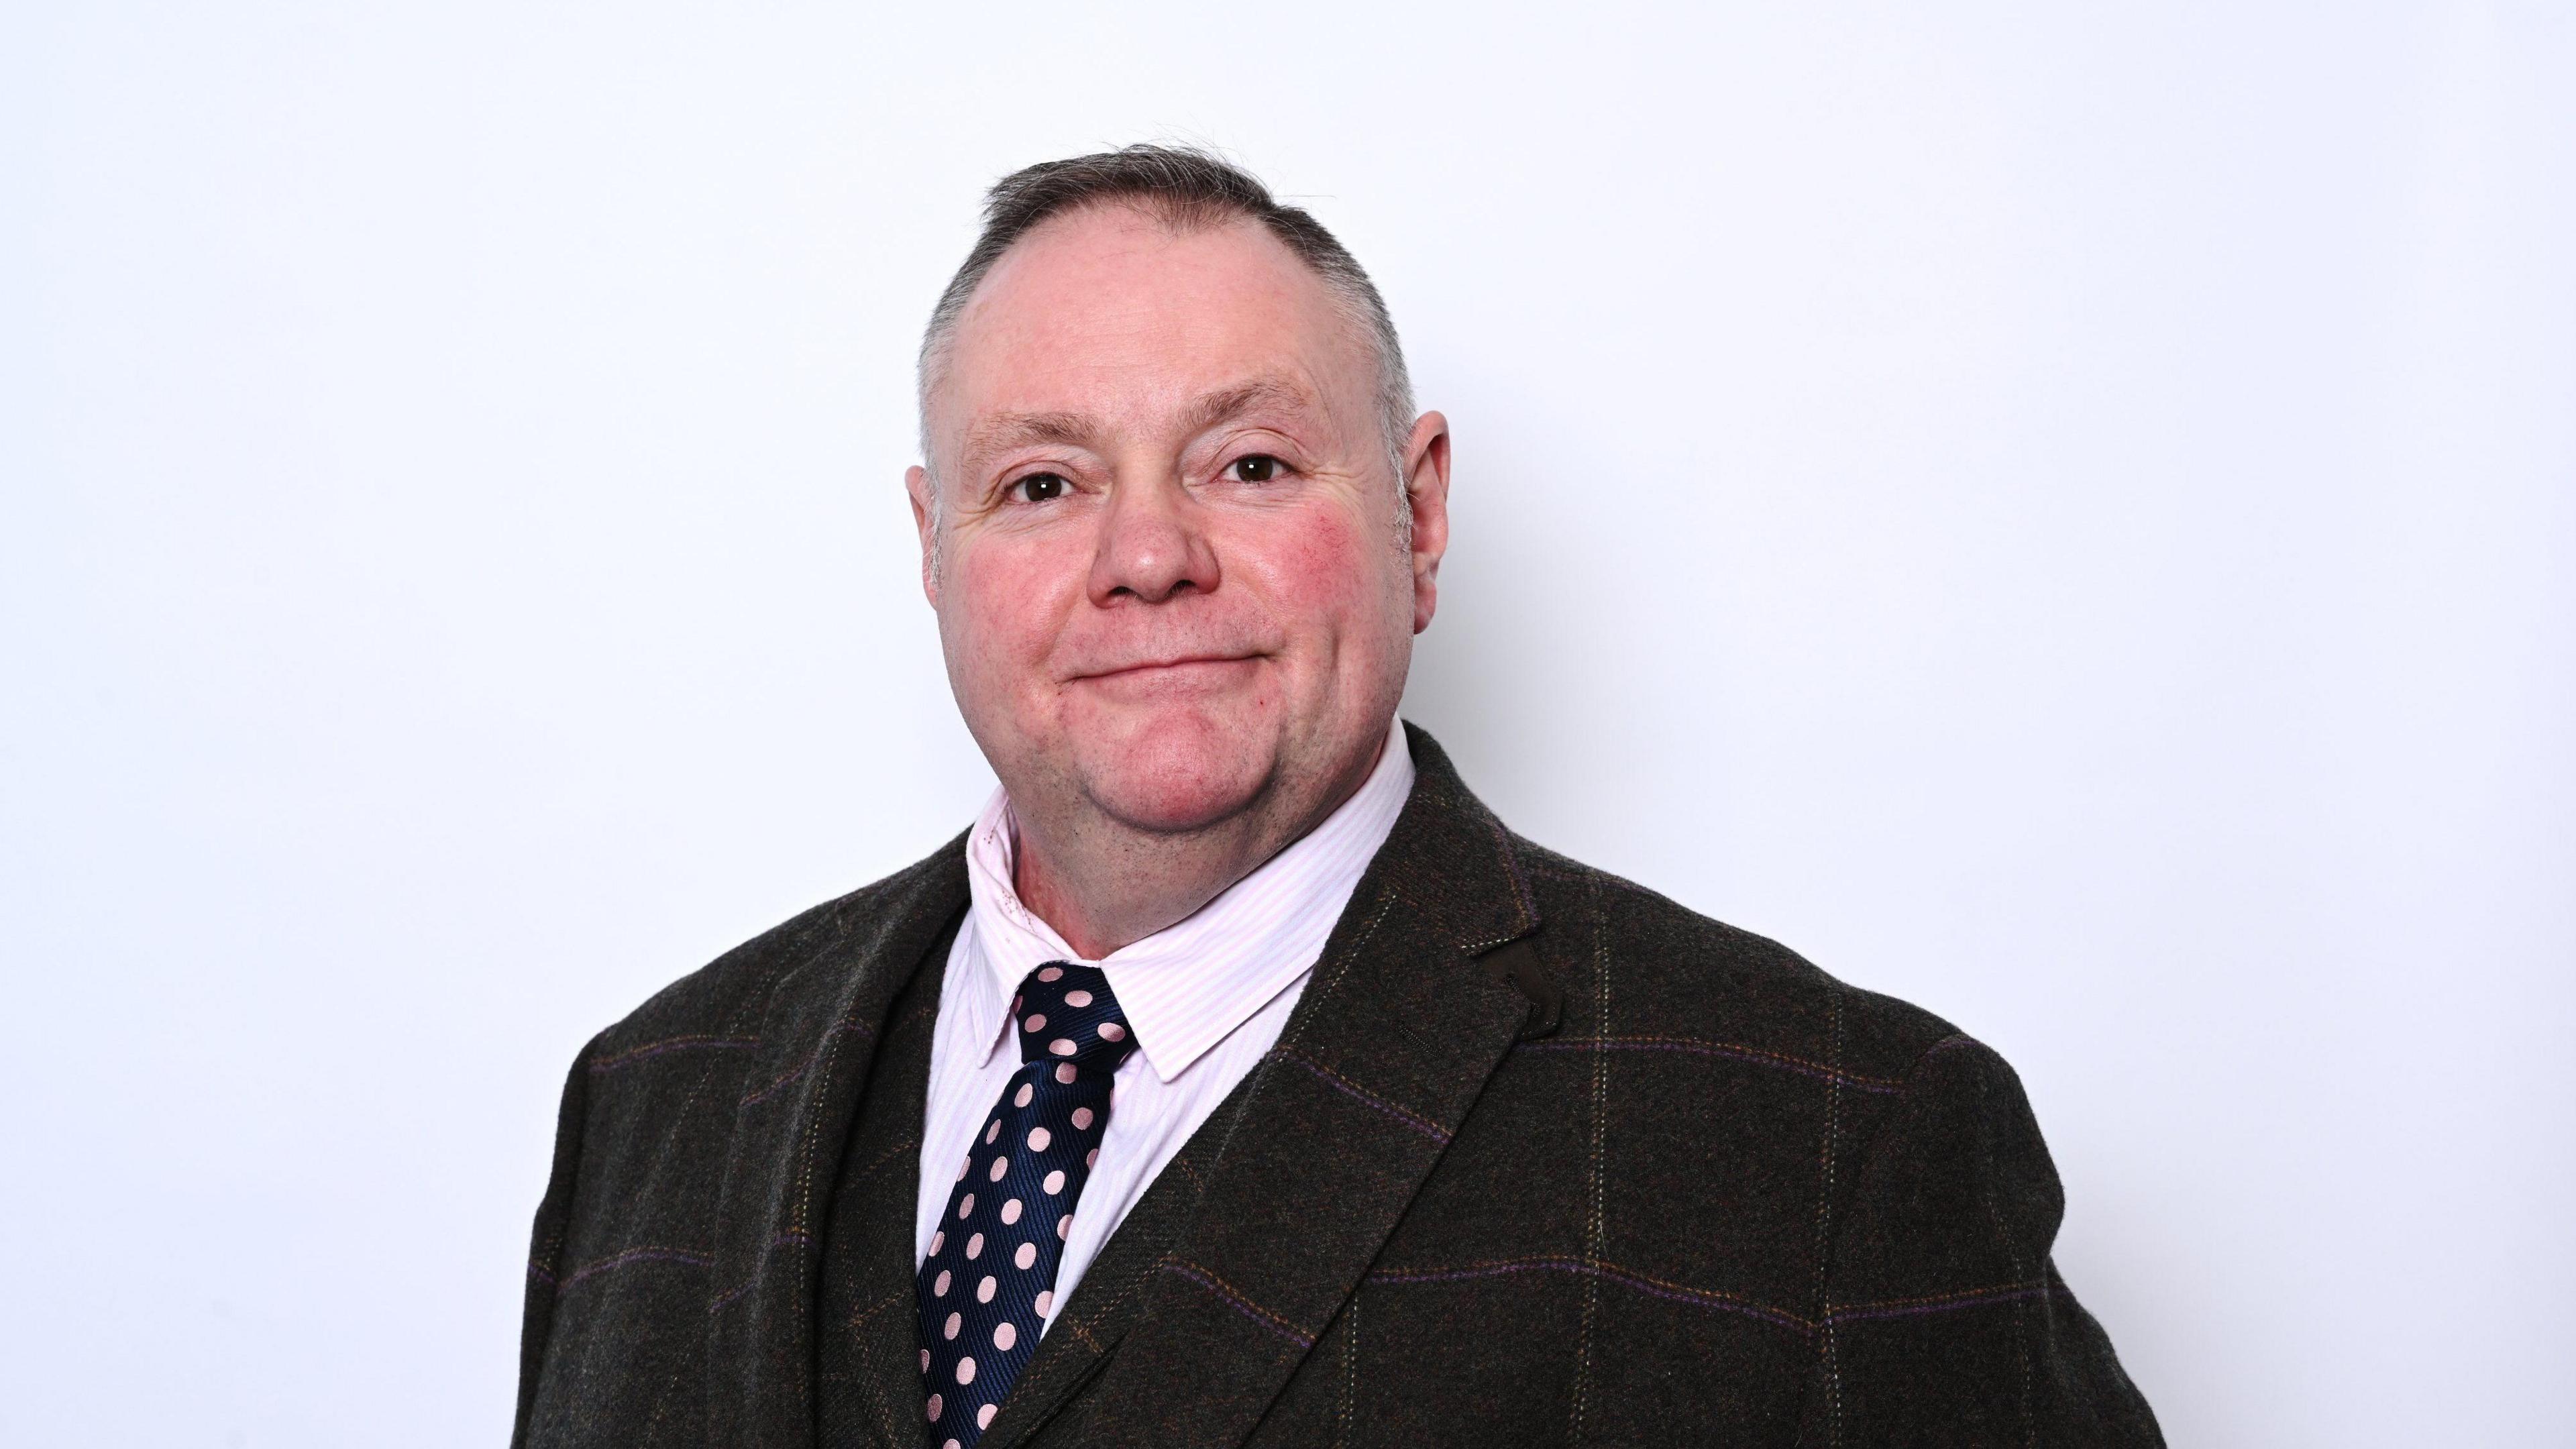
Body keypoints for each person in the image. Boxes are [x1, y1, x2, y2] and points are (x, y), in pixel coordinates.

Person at [511, 145, 2163, 1449]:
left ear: (1421, 516)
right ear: (934, 551)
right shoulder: (656, 1096)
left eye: (1249, 464)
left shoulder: (1829, 1150)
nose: (1147, 558)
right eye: (1042, 484)